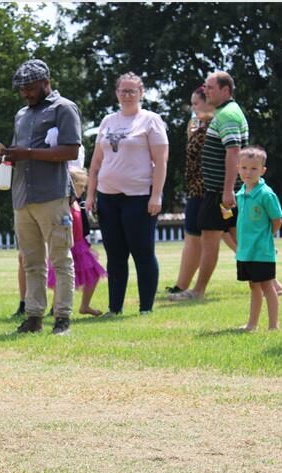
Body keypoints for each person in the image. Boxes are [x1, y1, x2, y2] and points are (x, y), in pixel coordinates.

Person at [1, 59, 80, 335]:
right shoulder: (21, 114)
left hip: (52, 194)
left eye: (30, 88)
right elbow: (19, 148)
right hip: (23, 195)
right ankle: (33, 316)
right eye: (22, 89)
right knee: (31, 261)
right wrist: (9, 154)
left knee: (60, 259)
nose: (26, 93)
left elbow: (70, 150)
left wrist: (29, 154)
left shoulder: (64, 109)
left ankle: (62, 318)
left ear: (46, 82)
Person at [86, 72, 169, 316]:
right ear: (116, 93)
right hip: (108, 197)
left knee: (142, 252)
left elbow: (161, 161)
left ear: (141, 93)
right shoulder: (108, 120)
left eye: (132, 91)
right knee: (115, 255)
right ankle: (115, 307)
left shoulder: (150, 120)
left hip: (139, 196)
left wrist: (156, 195)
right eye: (123, 90)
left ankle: (145, 307)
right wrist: (91, 195)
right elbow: (96, 162)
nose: (127, 95)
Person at [170, 71, 248, 301]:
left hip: (218, 193)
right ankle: (272, 284)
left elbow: (234, 151)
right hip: (218, 191)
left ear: (226, 90)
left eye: (211, 88)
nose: (206, 91)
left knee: (211, 240)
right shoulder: (223, 114)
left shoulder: (227, 115)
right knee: (240, 240)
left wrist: (227, 190)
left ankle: (198, 290)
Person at [167, 86, 220, 295]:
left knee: (231, 239)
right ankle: (182, 285)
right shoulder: (196, 124)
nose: (193, 108)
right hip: (196, 189)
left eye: (196, 103)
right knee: (196, 237)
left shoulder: (217, 124)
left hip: (208, 189)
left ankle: (270, 282)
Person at [235, 146, 282, 331]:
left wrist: (266, 237)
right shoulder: (241, 194)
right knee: (253, 286)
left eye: (254, 168)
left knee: (267, 286)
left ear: (262, 170)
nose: (248, 172)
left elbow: (277, 220)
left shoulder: (266, 194)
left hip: (261, 251)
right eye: (244, 168)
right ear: (238, 167)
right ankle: (252, 324)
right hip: (246, 251)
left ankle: (273, 325)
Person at [47, 167, 105, 316]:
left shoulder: (76, 203)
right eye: (81, 187)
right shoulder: (63, 203)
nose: (83, 190)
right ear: (71, 185)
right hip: (67, 245)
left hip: (80, 245)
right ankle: (56, 308)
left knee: (93, 274)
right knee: (62, 277)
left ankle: (84, 306)